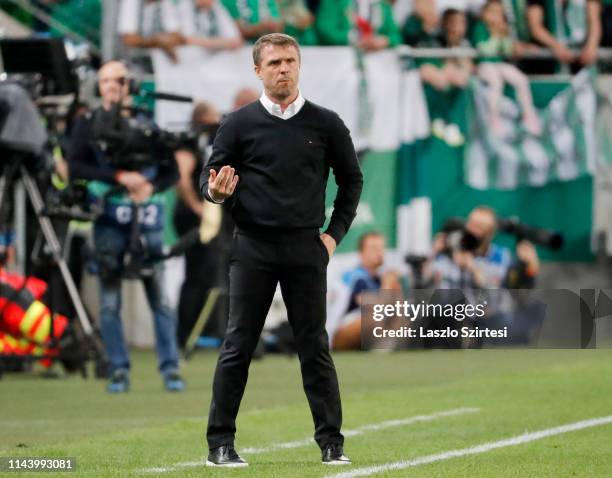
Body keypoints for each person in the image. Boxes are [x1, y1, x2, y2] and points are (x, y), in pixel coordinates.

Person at [200, 33, 363, 467]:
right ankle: (220, 444)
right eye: (273, 62)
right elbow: (210, 183)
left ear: (300, 65)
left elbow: (353, 180)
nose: (283, 68)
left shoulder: (326, 123)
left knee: (314, 346)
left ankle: (332, 443)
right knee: (238, 345)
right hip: (252, 246)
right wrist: (216, 193)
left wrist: (333, 236)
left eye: (290, 60)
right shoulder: (237, 123)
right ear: (258, 70)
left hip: (306, 248)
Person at [67, 61, 184, 393]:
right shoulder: (88, 125)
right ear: (98, 86)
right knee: (109, 299)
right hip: (108, 220)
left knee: (159, 297)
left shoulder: (146, 124)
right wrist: (119, 177)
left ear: (128, 83)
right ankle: (118, 369)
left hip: (147, 218)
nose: (111, 86)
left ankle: (170, 368)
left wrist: (151, 187)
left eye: (117, 79)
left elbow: (171, 171)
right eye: (105, 80)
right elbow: (76, 166)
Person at [473, 0, 541, 136]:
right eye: (492, 12)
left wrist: (520, 48)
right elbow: (484, 50)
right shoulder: (480, 28)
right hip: (484, 65)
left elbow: (507, 50)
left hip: (498, 64)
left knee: (520, 79)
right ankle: (493, 118)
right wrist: (496, 35)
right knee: (496, 81)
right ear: (484, 14)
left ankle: (529, 115)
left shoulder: (503, 30)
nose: (495, 16)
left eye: (498, 13)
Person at [430, 206, 540, 290]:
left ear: (490, 233)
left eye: (479, 227)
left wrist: (473, 268)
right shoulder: (450, 248)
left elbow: (515, 294)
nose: (472, 231)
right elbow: (422, 285)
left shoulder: (502, 257)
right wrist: (432, 253)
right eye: (471, 224)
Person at [526, 0, 602, 68]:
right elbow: (535, 27)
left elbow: (594, 21)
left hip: (582, 58)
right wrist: (556, 46)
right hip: (549, 62)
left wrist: (591, 46)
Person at [316, 0, 401, 50]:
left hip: (377, 65)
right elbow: (324, 30)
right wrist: (353, 38)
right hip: (341, 62)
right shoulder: (335, 2)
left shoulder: (382, 4)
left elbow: (396, 36)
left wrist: (385, 41)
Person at [118, 0, 184, 64]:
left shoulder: (166, 3)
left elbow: (177, 37)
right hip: (133, 63)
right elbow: (129, 39)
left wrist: (161, 41)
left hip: (159, 64)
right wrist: (158, 42)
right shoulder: (131, 2)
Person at [178, 0, 244, 52]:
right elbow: (188, 39)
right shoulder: (186, 6)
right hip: (195, 61)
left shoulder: (217, 6)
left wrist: (206, 43)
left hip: (219, 59)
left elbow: (237, 41)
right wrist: (223, 43)